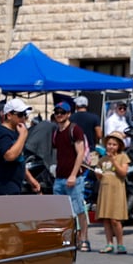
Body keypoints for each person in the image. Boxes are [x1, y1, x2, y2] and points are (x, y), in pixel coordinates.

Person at [51, 100, 91, 251]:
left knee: (79, 208)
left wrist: (73, 175)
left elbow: (80, 153)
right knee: (61, 212)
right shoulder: (56, 132)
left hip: (74, 177)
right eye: (57, 112)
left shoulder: (75, 130)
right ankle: (67, 238)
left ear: (69, 114)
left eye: (62, 112)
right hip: (60, 177)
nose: (59, 115)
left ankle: (84, 238)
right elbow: (58, 153)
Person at [0, 98, 42, 196]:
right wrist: (23, 136)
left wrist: (31, 180)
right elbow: (10, 156)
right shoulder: (3, 133)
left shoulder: (15, 132)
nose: (23, 118)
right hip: (2, 184)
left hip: (12, 184)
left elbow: (19, 159)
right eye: (20, 115)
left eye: (24, 114)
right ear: (9, 115)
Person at [95, 131, 130, 254]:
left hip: (117, 191)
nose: (111, 146)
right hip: (105, 191)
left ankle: (120, 244)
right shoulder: (102, 159)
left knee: (115, 219)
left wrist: (114, 161)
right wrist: (98, 174)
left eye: (114, 144)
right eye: (109, 144)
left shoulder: (123, 157)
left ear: (119, 146)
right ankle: (109, 243)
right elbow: (99, 175)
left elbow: (123, 173)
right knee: (106, 219)